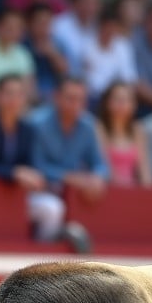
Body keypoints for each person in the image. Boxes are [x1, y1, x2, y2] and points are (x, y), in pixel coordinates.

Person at [0, 73, 60, 245]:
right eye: (8, 93)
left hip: (17, 195)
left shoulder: (28, 130)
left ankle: (41, 258)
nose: (13, 99)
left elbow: (32, 165)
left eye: (19, 94)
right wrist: (13, 173)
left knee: (52, 208)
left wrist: (35, 177)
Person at [30, 75, 109, 250]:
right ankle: (43, 254)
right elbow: (35, 165)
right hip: (38, 191)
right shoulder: (36, 123)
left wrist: (97, 177)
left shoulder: (88, 125)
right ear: (56, 97)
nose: (75, 104)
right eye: (70, 98)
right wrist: (69, 177)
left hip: (74, 195)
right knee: (52, 209)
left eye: (80, 99)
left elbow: (100, 164)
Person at [81, 4, 137, 110]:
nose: (110, 31)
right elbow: (90, 81)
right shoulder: (87, 46)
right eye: (107, 26)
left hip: (117, 95)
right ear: (100, 27)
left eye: (113, 27)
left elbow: (128, 77)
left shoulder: (123, 46)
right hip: (94, 97)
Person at [96, 81, 152, 187]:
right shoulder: (99, 128)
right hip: (107, 189)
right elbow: (104, 166)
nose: (122, 103)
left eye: (127, 100)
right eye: (117, 99)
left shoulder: (138, 130)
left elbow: (144, 169)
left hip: (132, 190)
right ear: (107, 103)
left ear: (134, 105)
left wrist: (148, 192)